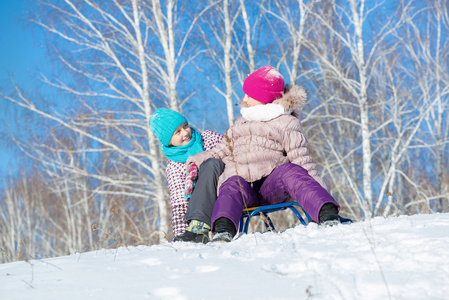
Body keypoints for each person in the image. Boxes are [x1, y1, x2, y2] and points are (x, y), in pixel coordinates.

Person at [187, 65, 341, 242]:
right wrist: (197, 160)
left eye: (249, 95)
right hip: (242, 190)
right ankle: (223, 229)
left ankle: (327, 213)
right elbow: (220, 150)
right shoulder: (239, 124)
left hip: (271, 188)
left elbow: (302, 160)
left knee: (291, 170)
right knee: (231, 182)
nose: (243, 99)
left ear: (263, 98)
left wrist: (322, 193)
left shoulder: (286, 122)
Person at [149, 108, 224, 243]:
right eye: (177, 132)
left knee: (211, 164)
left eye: (185, 126)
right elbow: (180, 204)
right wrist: (181, 238)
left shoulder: (208, 138)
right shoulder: (174, 166)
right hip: (201, 209)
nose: (185, 132)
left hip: (227, 193)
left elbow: (234, 151)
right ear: (168, 141)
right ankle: (197, 230)